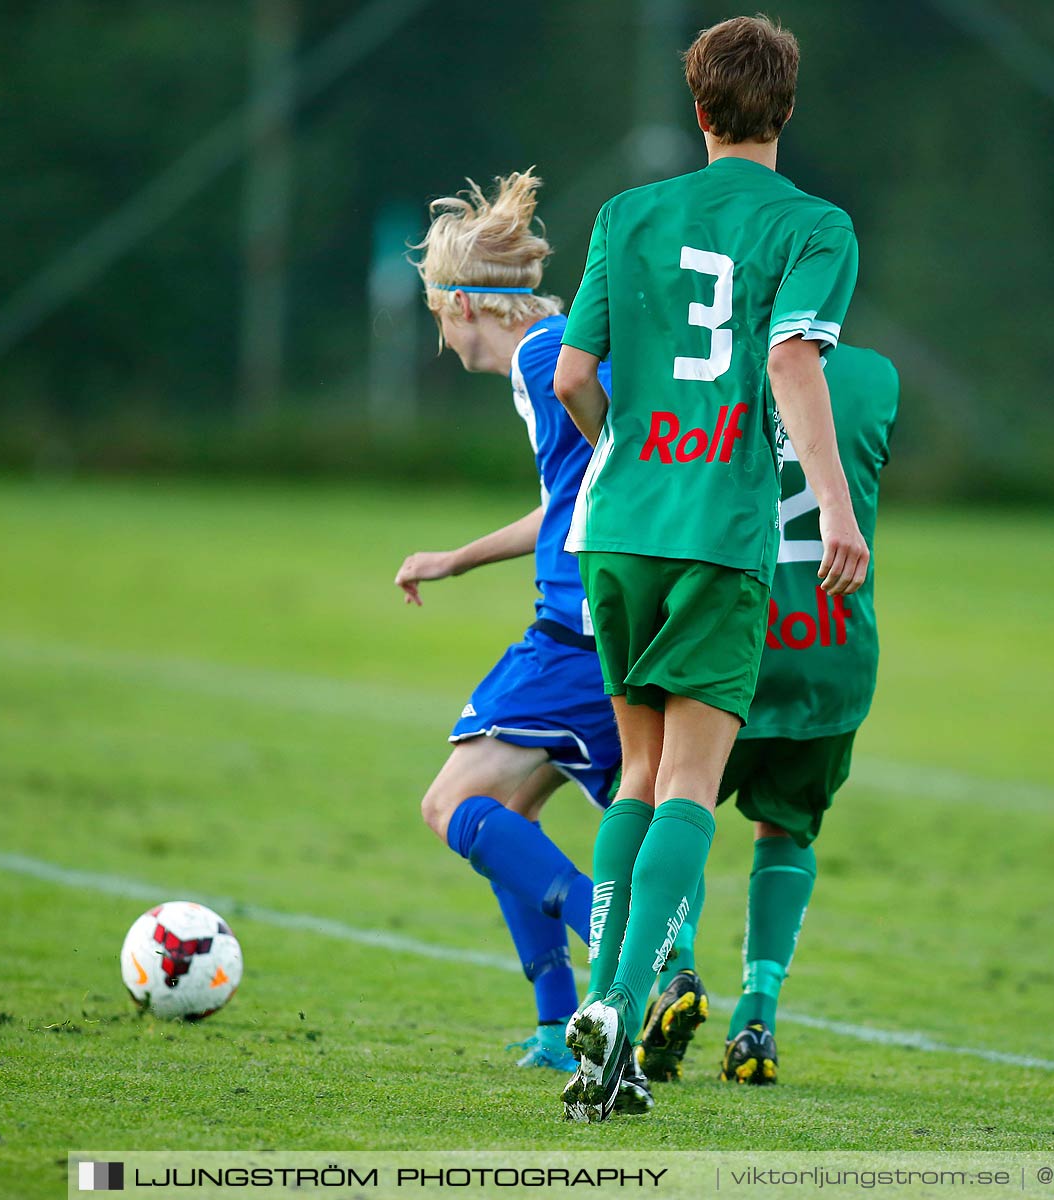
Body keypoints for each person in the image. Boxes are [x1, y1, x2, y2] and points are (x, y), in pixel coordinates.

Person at [550, 14, 869, 1121]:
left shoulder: (627, 212)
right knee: (689, 785)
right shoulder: (815, 227)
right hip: (718, 534)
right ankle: (623, 1013)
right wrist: (833, 504)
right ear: (785, 109)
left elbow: (574, 374)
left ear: (698, 109)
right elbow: (789, 357)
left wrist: (621, 454)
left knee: (636, 776)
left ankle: (598, 1000)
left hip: (617, 527)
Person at [397, 171, 646, 1105]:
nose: (440, 336)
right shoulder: (549, 357)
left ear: (465, 305)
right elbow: (571, 498)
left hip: (581, 625)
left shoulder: (548, 361)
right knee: (511, 810)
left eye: (437, 315)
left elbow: (615, 476)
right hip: (600, 617)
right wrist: (456, 559)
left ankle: (626, 945)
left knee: (450, 805)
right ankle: (555, 1025)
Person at [633, 343, 898, 1087]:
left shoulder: (701, 369)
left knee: (669, 798)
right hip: (831, 644)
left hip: (730, 642)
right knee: (786, 826)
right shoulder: (876, 378)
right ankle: (759, 1014)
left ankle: (674, 970)